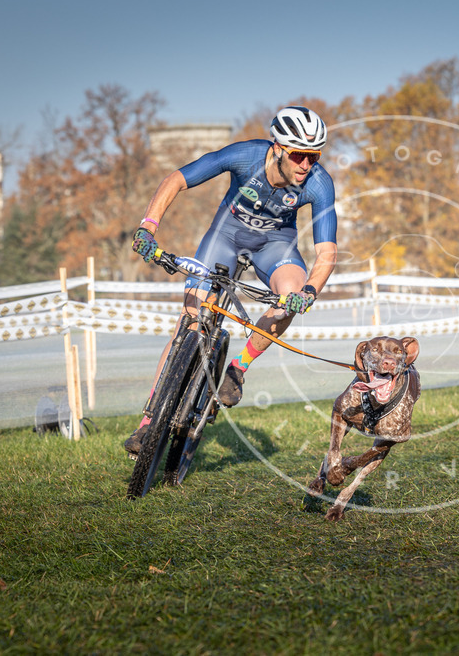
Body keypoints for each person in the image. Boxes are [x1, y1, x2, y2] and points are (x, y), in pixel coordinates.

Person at [124, 106, 338, 456]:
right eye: (299, 155)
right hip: (224, 237)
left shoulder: (319, 184)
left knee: (290, 299)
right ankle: (148, 422)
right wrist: (148, 226)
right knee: (189, 323)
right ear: (278, 148)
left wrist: (309, 292)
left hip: (276, 246)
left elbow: (326, 252)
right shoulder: (246, 155)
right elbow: (175, 180)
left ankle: (239, 367)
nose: (306, 165)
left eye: (314, 156)